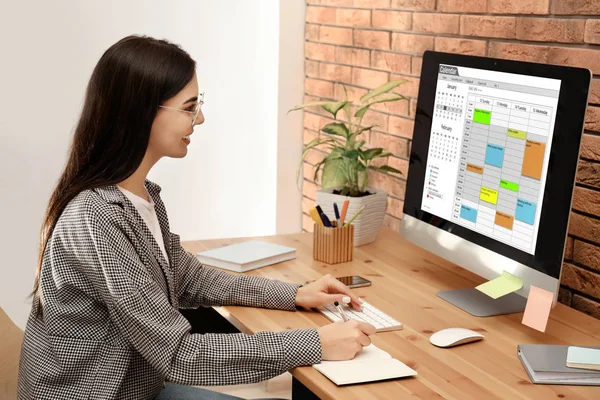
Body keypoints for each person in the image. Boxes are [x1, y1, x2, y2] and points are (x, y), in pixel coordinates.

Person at [17, 35, 376, 400]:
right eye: (190, 107)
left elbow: (188, 278)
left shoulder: (141, 196)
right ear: (142, 111)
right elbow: (179, 355)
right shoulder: (97, 219)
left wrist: (295, 294)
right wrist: (315, 343)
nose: (200, 118)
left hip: (135, 388)